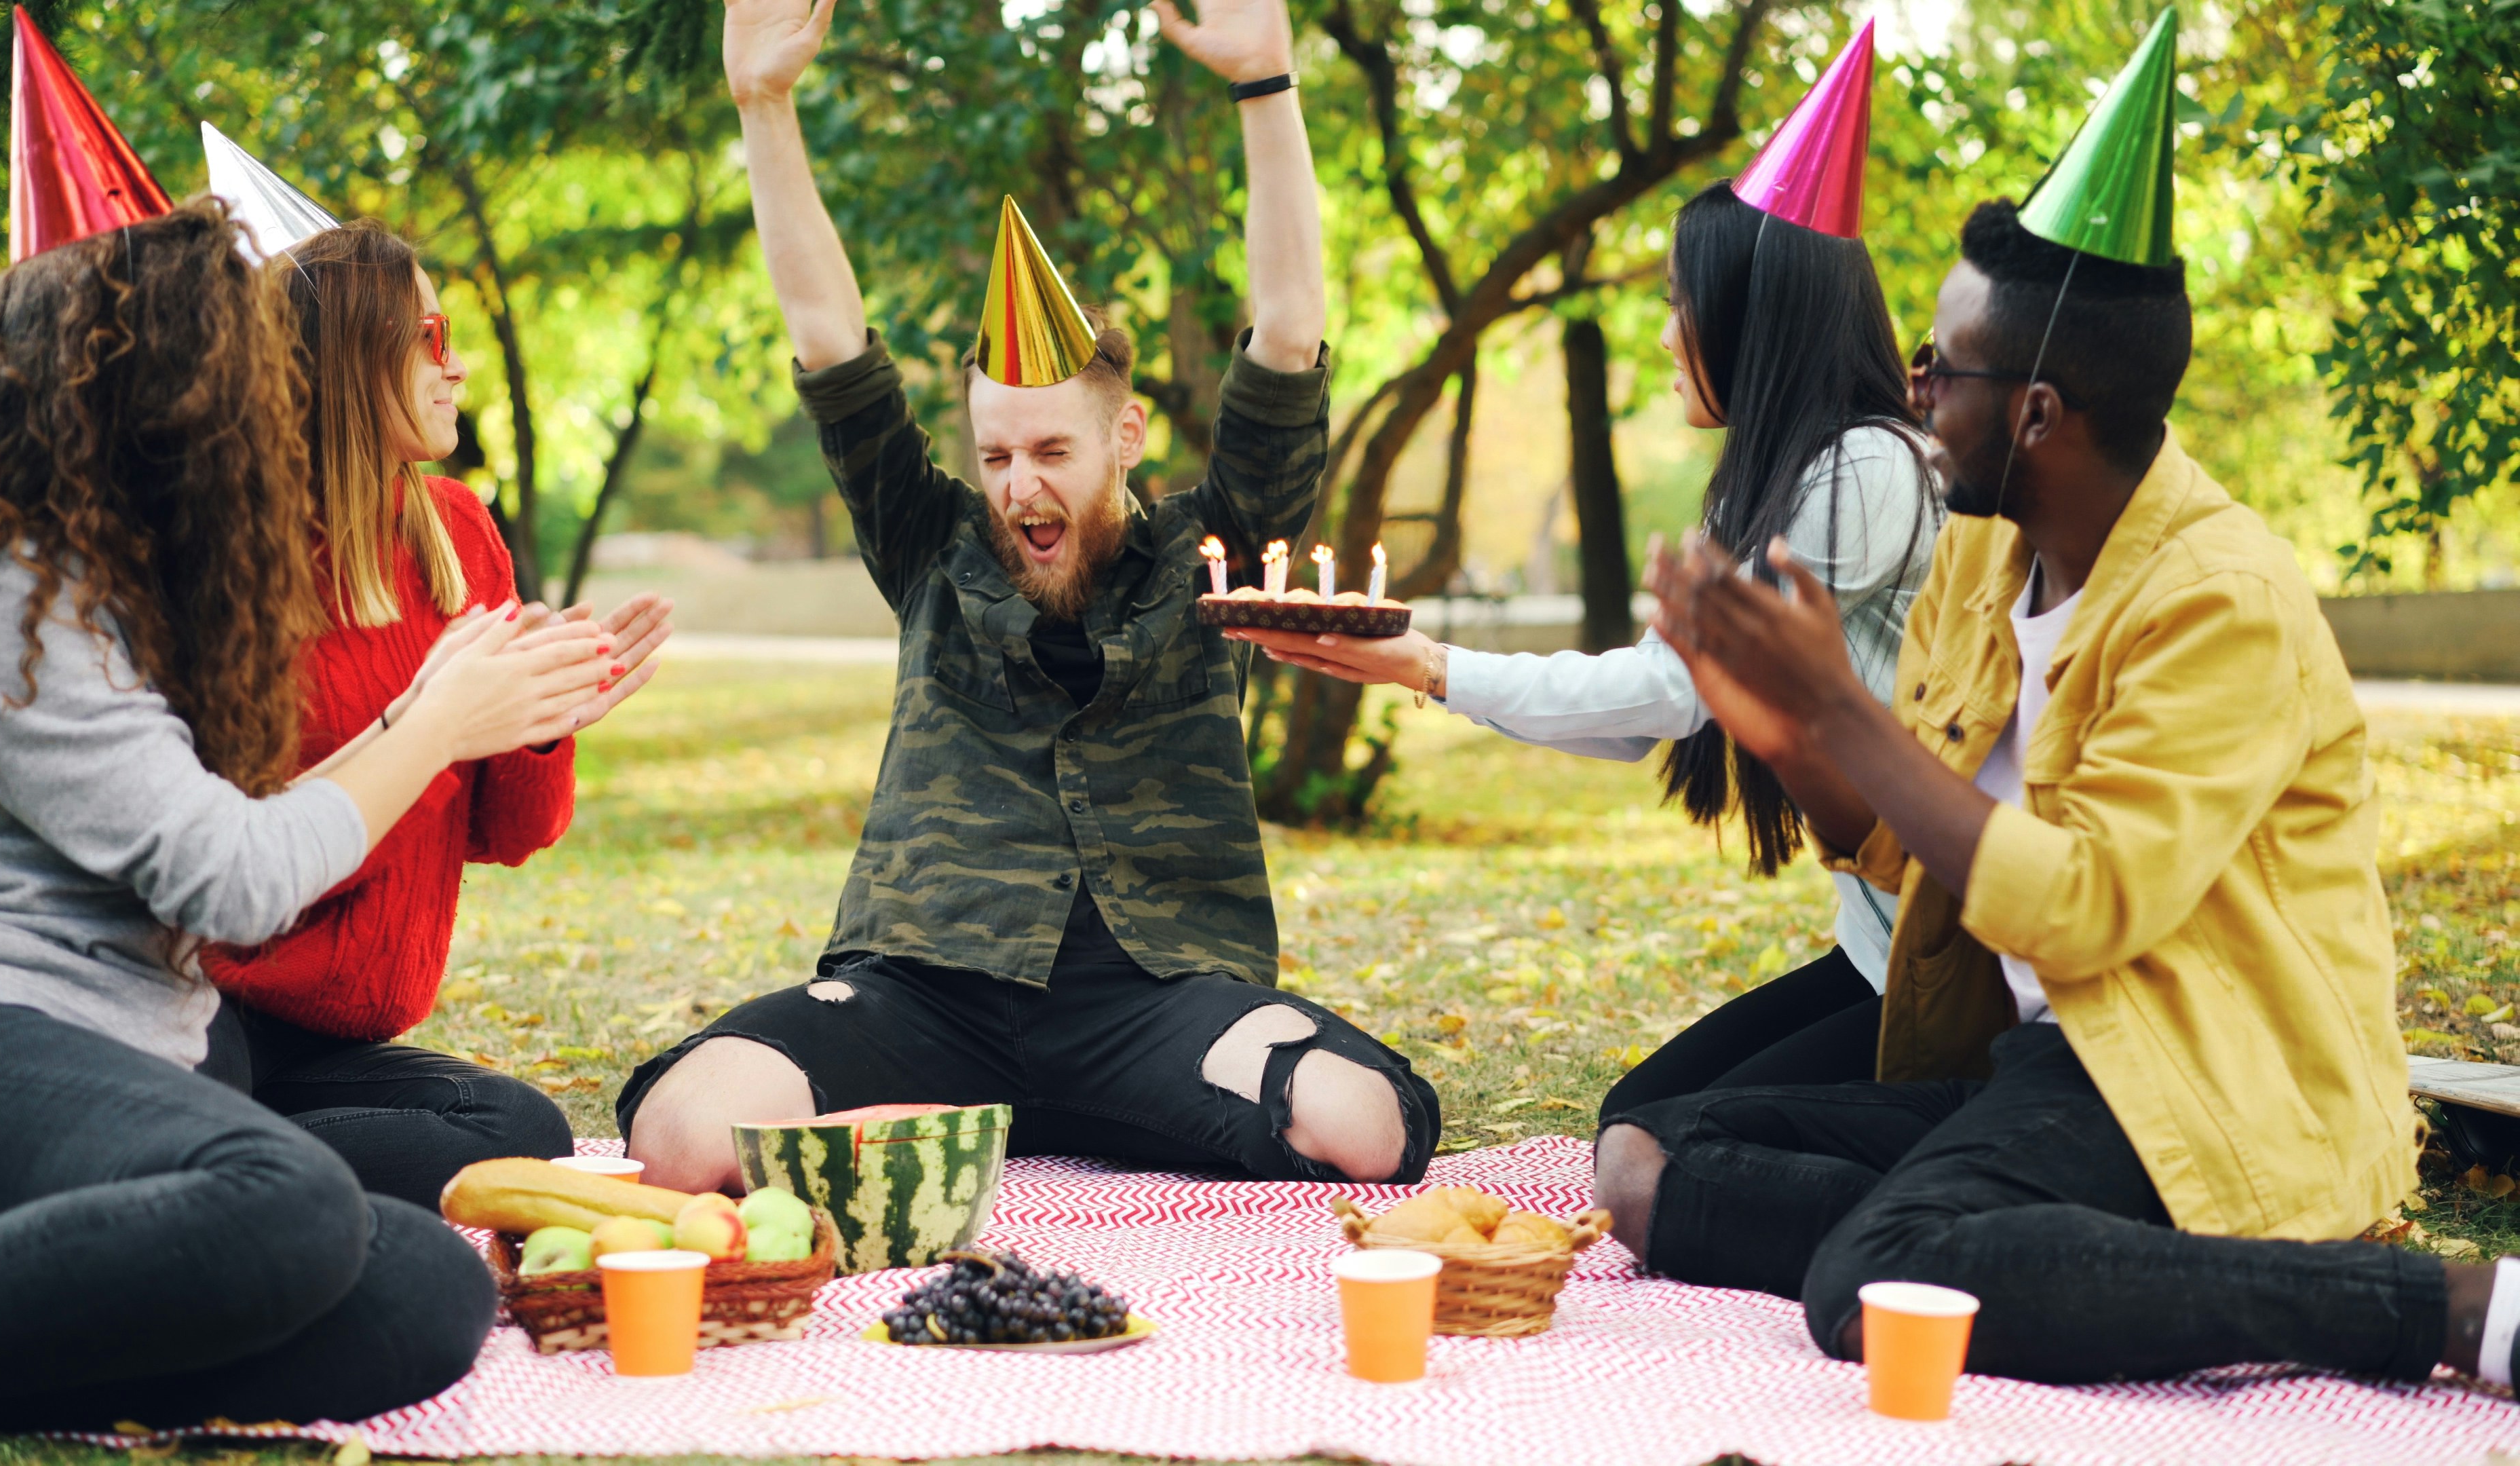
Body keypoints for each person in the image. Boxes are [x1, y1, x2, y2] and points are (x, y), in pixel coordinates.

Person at [1601, 16, 2484, 1387]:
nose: (1913, 388)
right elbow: (1903, 850)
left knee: (1873, 1281)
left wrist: (1842, 713)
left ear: (2038, 414)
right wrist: (1794, 738)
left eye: (1941, 369)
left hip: (2194, 1078)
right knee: (1649, 1157)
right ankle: (2026, 1250)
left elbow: (2080, 907)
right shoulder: (1983, 552)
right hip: (2037, 1062)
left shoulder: (2220, 600)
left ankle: (2440, 1313)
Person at [618, 0, 1438, 1194]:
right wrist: (764, 103)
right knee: (686, 1135)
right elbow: (829, 339)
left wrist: (1267, 87)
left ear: (1126, 438)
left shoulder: (1214, 554)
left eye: (1052, 450)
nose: (1018, 485)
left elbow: (1289, 331)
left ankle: (1037, 1124)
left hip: (1156, 1006)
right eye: (996, 454)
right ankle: (956, 1116)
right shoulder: (929, 541)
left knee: (1363, 1125)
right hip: (924, 996)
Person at [0, 203, 617, 1428]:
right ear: (144, 401)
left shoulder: (142, 583)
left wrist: (480, 709)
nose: (267, 411)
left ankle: (0, 1356)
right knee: (291, 1202)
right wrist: (433, 720)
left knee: (428, 1291)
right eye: (237, 381)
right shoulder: (20, 593)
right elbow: (233, 881)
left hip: (139, 1064)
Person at [1232, 28, 1936, 1109]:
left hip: (1946, 977)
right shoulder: (1800, 476)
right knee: (1642, 1120)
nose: (1666, 336)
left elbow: (1667, 693)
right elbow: (1649, 719)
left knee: (1662, 1145)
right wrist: (1427, 669)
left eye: (1679, 302)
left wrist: (1430, 665)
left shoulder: (1869, 471)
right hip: (1878, 953)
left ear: (1753, 320)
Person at [197, 221, 672, 1209]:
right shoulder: (237, 560)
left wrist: (543, 720)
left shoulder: (456, 531)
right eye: (430, 338)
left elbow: (509, 833)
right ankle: (208, 1154)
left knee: (524, 1132)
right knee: (195, 1097)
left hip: (332, 1040)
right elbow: (247, 876)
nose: (456, 366)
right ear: (350, 357)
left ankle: (223, 1160)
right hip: (207, 1008)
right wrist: (433, 732)